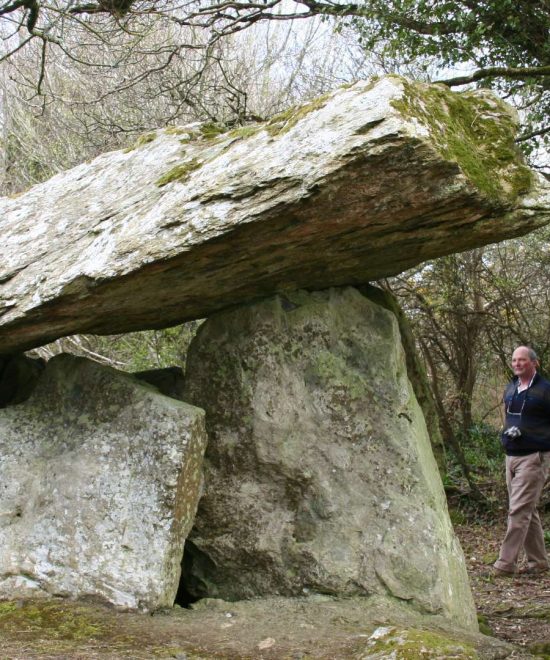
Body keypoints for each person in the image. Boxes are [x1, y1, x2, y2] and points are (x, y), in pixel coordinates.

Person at [493, 346, 550, 576]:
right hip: (511, 457)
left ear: (534, 363)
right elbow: (507, 417)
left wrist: (531, 436)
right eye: (514, 360)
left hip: (534, 457)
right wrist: (505, 434)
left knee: (518, 511)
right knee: (527, 510)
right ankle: (539, 562)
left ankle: (505, 564)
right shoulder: (511, 388)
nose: (517, 364)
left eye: (522, 360)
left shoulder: (545, 390)